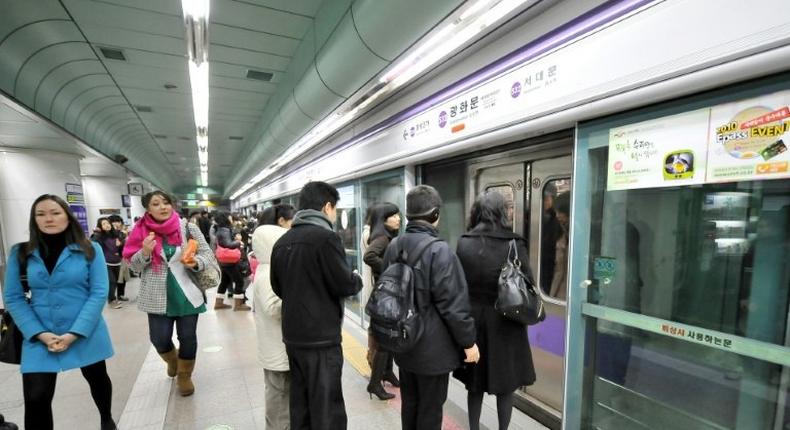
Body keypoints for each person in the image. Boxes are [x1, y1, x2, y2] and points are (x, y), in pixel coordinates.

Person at [3, 194, 116, 430]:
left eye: (55, 213)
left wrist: (75, 333)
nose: (48, 219)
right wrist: (39, 333)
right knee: (36, 398)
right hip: (39, 333)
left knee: (98, 380)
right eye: (40, 214)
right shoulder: (20, 253)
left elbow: (98, 293)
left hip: (85, 329)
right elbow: (13, 297)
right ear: (34, 220)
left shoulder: (89, 249)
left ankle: (106, 419)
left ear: (68, 216)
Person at [381, 185, 479, 430]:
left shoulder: (394, 246)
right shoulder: (441, 251)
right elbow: (454, 306)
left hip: (403, 342)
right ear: (435, 214)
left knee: (410, 404)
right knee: (430, 409)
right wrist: (469, 342)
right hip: (432, 350)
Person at [271, 181, 362, 430]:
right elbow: (344, 284)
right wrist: (357, 279)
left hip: (293, 337)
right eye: (335, 210)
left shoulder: (283, 241)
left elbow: (278, 287)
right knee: (327, 407)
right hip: (321, 339)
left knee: (300, 403)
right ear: (327, 206)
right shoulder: (326, 239)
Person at [453, 190, 537, 430]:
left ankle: (473, 427)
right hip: (507, 321)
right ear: (502, 211)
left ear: (477, 211)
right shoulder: (514, 243)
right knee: (506, 386)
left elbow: (459, 284)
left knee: (474, 382)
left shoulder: (464, 242)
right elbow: (527, 281)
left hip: (474, 320)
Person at [124, 191, 214, 396]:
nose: (163, 207)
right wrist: (145, 253)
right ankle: (172, 360)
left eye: (166, 202)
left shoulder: (187, 227)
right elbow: (133, 266)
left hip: (187, 292)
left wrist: (196, 262)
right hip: (157, 295)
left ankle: (184, 376)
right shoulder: (140, 232)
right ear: (147, 209)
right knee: (159, 338)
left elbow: (207, 253)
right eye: (156, 204)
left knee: (188, 337)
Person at [251, 204, 295, 430]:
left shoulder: (266, 267)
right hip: (277, 349)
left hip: (275, 346)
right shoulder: (269, 271)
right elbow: (274, 308)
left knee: (281, 394)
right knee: (279, 397)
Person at [362, 202, 402, 400]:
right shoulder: (383, 238)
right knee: (385, 341)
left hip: (385, 294)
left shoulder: (387, 237)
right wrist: (389, 269)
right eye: (393, 216)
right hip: (386, 296)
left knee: (388, 338)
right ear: (383, 220)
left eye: (398, 215)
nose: (398, 219)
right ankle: (374, 383)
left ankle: (387, 372)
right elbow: (369, 256)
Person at [214, 211, 250, 311]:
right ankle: (238, 305)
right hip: (229, 260)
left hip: (224, 260)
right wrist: (238, 242)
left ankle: (219, 302)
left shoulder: (220, 229)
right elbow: (228, 244)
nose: (231, 218)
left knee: (225, 281)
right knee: (239, 281)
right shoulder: (225, 230)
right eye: (229, 217)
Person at [91, 217, 124, 309]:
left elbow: (123, 239)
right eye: (104, 224)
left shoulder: (116, 234)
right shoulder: (100, 236)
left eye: (108, 223)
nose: (107, 225)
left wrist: (121, 243)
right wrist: (97, 233)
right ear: (100, 226)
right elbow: (92, 242)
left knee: (117, 281)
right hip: (106, 263)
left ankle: (115, 297)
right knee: (111, 281)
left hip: (117, 261)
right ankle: (111, 300)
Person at [549, 192, 570, 299]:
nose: (557, 215)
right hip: (558, 289)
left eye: (560, 211)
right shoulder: (561, 232)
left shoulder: (579, 236)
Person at [107, 215, 130, 301]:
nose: (116, 223)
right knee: (112, 280)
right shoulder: (106, 234)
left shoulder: (122, 233)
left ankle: (120, 295)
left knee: (122, 278)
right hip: (109, 260)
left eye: (118, 221)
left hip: (122, 258)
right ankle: (111, 297)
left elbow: (125, 244)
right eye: (113, 221)